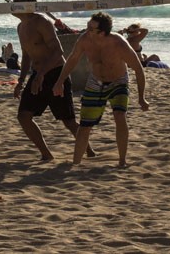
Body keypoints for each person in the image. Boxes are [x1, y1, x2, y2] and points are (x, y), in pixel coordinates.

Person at [53, 11, 149, 167]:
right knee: (85, 126)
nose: (87, 30)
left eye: (91, 28)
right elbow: (73, 59)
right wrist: (60, 81)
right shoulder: (84, 39)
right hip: (95, 82)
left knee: (119, 115)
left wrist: (141, 98)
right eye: (87, 26)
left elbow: (138, 69)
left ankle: (122, 161)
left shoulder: (118, 43)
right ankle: (75, 164)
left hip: (118, 81)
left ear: (102, 32)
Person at [10, 0, 94, 163]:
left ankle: (89, 150)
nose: (10, 5)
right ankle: (46, 154)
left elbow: (58, 52)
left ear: (26, 5)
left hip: (56, 74)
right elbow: (26, 56)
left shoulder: (42, 22)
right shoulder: (21, 27)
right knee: (23, 116)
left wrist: (41, 74)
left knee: (68, 121)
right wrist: (21, 81)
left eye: (15, 1)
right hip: (38, 74)